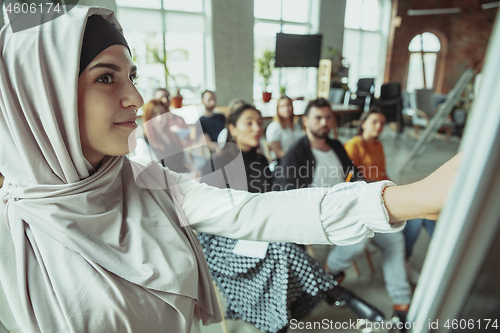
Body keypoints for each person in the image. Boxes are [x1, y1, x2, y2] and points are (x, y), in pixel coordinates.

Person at [0, 6, 461, 333]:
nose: (135, 98)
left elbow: (255, 210)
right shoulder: (11, 236)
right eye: (106, 77)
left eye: (131, 75)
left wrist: (410, 197)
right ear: (43, 100)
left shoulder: (148, 183)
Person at [198, 103, 384, 333]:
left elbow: (272, 199)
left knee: (286, 241)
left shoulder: (260, 160)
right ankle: (337, 293)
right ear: (232, 129)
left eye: (259, 122)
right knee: (282, 248)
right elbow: (209, 216)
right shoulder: (219, 163)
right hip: (224, 242)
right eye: (249, 123)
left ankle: (279, 323)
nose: (257, 128)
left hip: (257, 231)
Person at [327, 108, 412, 327]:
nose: (379, 126)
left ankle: (402, 304)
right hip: (358, 206)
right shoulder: (352, 146)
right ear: (363, 123)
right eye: (374, 121)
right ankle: (329, 271)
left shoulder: (378, 145)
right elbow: (346, 181)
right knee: (359, 244)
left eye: (382, 122)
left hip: (378, 204)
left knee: (395, 240)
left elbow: (382, 175)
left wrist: (398, 191)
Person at [266, 96, 303, 160]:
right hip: (284, 161)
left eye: (288, 105)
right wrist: (297, 155)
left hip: (298, 159)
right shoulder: (274, 127)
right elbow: (278, 153)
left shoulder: (297, 126)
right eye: (282, 106)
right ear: (277, 109)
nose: (286, 109)